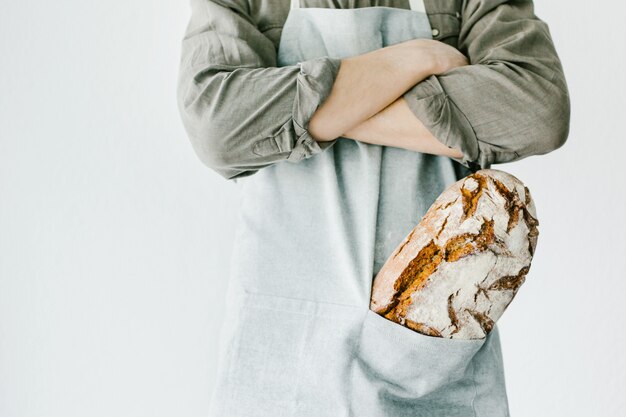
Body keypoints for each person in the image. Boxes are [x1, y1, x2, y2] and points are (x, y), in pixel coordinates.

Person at [176, 0, 570, 416]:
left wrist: (313, 110)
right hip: (288, 338)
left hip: (432, 338)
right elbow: (217, 124)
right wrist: (416, 59)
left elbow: (538, 108)